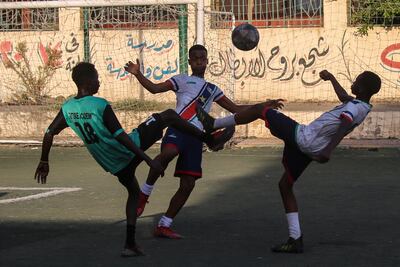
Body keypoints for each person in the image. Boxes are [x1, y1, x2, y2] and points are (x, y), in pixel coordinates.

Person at [34, 62, 235, 257]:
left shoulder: (68, 108)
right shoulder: (100, 105)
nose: (99, 81)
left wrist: (44, 161)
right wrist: (148, 160)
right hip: (132, 147)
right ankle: (210, 139)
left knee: (133, 193)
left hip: (113, 165)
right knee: (169, 116)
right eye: (96, 78)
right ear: (87, 82)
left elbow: (50, 132)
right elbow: (121, 136)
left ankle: (130, 244)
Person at [196, 70, 381, 253]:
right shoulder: (361, 105)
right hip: (311, 147)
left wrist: (328, 150)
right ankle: (295, 239)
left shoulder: (353, 109)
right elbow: (343, 97)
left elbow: (345, 122)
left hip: (304, 138)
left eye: (357, 80)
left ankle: (214, 125)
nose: (353, 81)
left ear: (363, 88)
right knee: (285, 185)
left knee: (261, 110)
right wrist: (332, 77)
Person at [124, 44, 260, 239]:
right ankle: (143, 196)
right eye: (195, 58)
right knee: (168, 153)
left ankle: (164, 225)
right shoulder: (181, 80)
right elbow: (154, 89)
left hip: (196, 136)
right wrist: (137, 74)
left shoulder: (213, 89)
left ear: (206, 61)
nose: (198, 61)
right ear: (189, 61)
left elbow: (236, 108)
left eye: (202, 58)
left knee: (188, 184)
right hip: (178, 128)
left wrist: (262, 107)